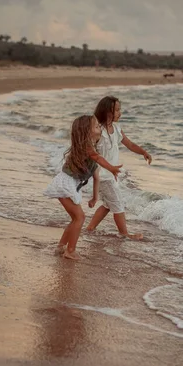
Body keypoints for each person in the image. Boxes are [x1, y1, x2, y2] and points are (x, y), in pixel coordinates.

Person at [44, 115, 122, 260]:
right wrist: (111, 168)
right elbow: (98, 158)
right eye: (96, 125)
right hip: (65, 184)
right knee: (79, 217)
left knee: (75, 218)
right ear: (87, 131)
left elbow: (96, 177)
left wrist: (95, 197)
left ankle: (61, 247)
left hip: (70, 186)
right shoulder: (85, 147)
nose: (99, 127)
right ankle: (70, 251)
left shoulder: (92, 152)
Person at [87, 95, 152, 240]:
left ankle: (90, 228)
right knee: (117, 204)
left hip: (111, 174)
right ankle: (125, 234)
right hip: (102, 175)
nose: (119, 113)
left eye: (119, 109)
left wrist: (143, 152)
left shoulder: (116, 128)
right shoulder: (98, 131)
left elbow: (129, 144)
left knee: (108, 204)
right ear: (107, 111)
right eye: (117, 110)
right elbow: (90, 151)